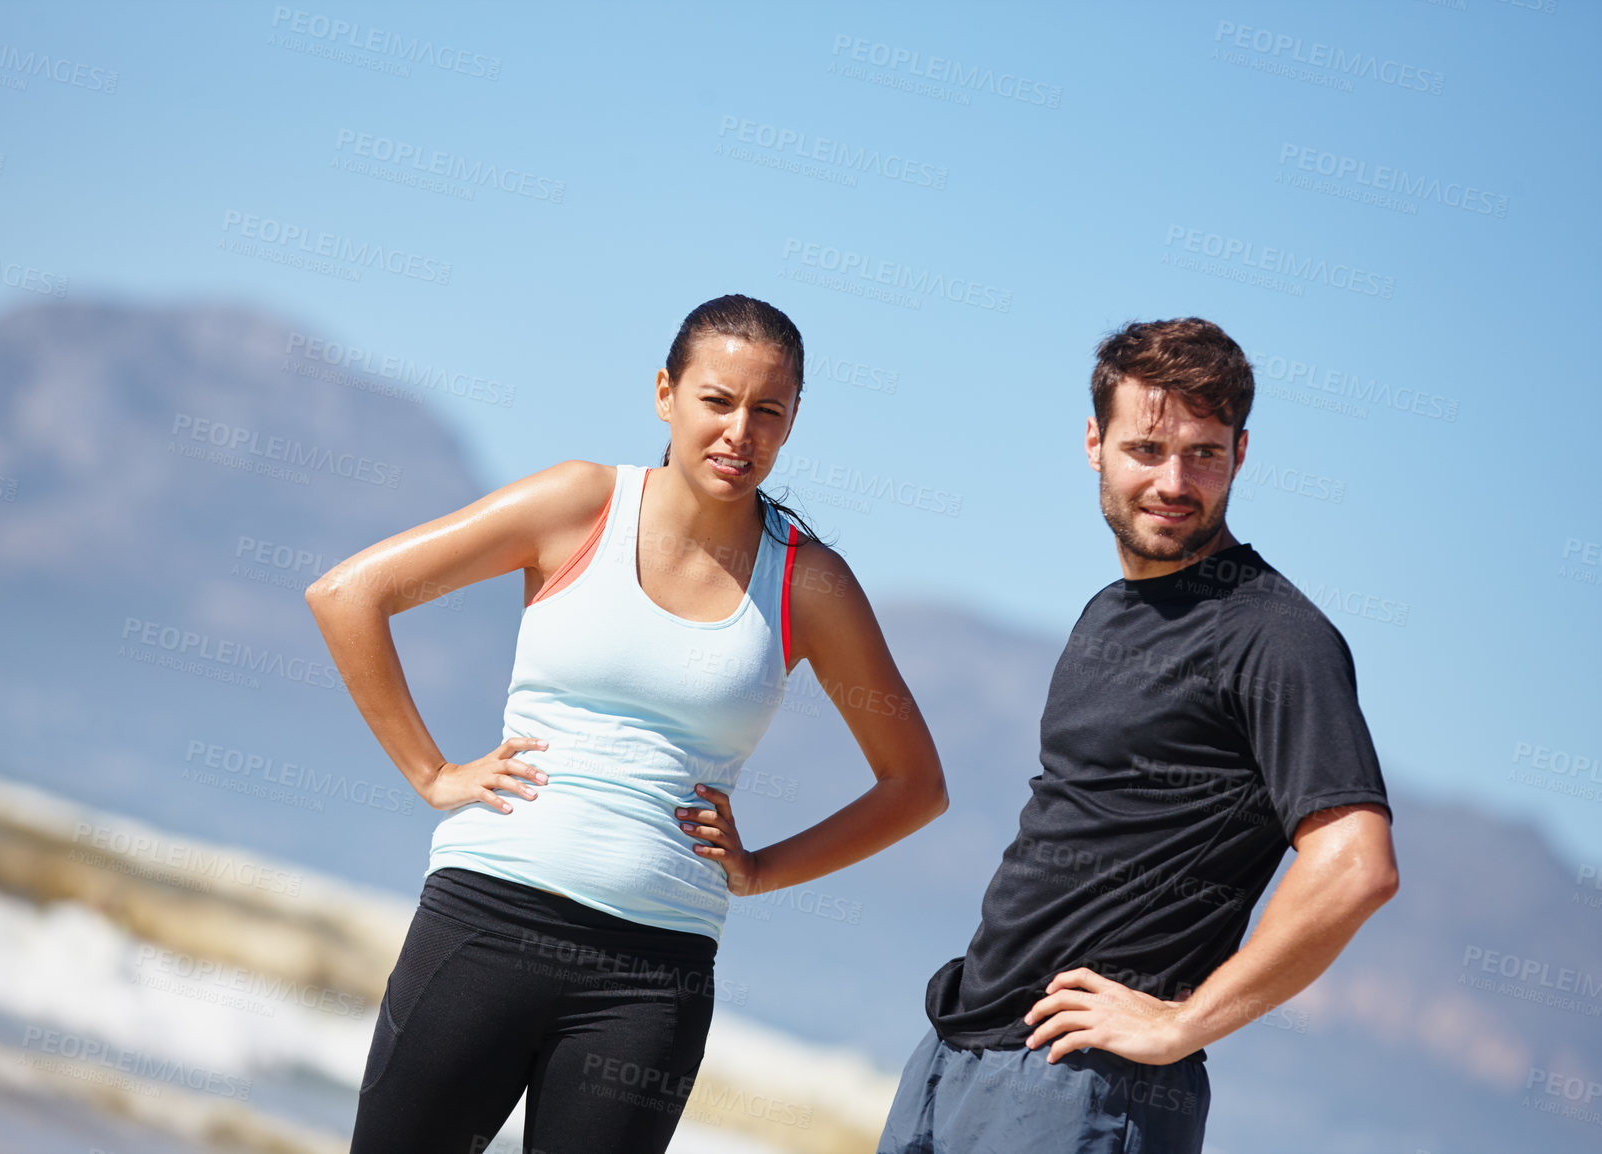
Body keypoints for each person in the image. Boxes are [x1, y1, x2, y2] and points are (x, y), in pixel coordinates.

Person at [305, 294, 947, 1154]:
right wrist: (432, 773)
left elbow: (915, 785)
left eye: (768, 412)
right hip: (484, 925)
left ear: (793, 422)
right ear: (665, 394)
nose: (739, 433)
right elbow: (350, 596)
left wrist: (757, 870)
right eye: (717, 401)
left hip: (650, 982)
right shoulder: (578, 506)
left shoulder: (807, 584)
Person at [877, 317, 1398, 1153]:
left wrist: (1181, 1026)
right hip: (957, 1056)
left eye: (1205, 452)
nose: (1175, 480)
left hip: (1085, 1092)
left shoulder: (1273, 634)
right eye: (1148, 449)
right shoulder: (1106, 614)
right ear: (1094, 442)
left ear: (1242, 453)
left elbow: (1356, 865)